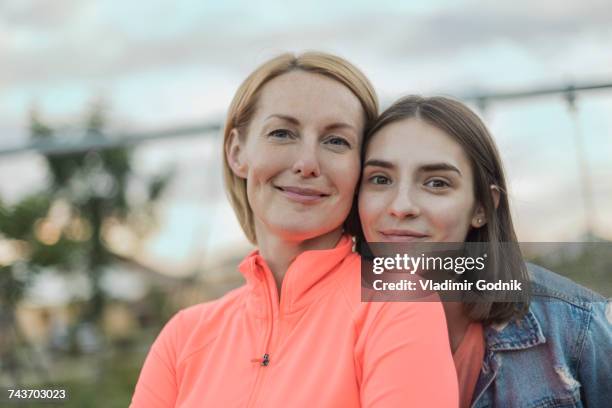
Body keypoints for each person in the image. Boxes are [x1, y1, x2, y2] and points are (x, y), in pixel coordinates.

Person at [131, 55, 458, 407]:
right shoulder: (184, 336)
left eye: (336, 141)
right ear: (237, 152)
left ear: (359, 168)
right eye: (282, 134)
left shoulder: (396, 303)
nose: (306, 164)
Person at [354, 95, 612, 408]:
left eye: (436, 183)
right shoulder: (326, 323)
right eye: (380, 179)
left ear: (482, 207)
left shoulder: (574, 325)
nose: (401, 207)